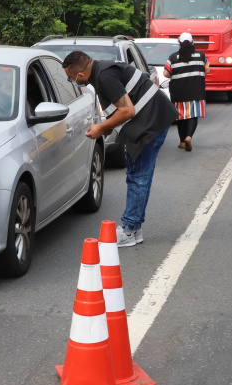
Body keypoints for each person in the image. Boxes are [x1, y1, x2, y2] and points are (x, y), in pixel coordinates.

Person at [63, 50, 178, 247]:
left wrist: (101, 127)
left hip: (151, 123)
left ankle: (129, 229)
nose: (72, 81)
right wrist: (108, 126)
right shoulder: (101, 71)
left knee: (138, 177)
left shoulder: (104, 76)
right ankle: (134, 229)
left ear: (80, 75)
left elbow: (127, 110)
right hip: (150, 120)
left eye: (70, 78)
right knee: (136, 176)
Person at [164, 32, 209, 152]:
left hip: (179, 92)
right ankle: (189, 137)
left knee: (181, 117)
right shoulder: (201, 56)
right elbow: (207, 70)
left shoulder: (173, 57)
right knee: (193, 115)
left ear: (179, 43)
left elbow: (166, 73)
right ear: (192, 43)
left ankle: (182, 142)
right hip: (196, 91)